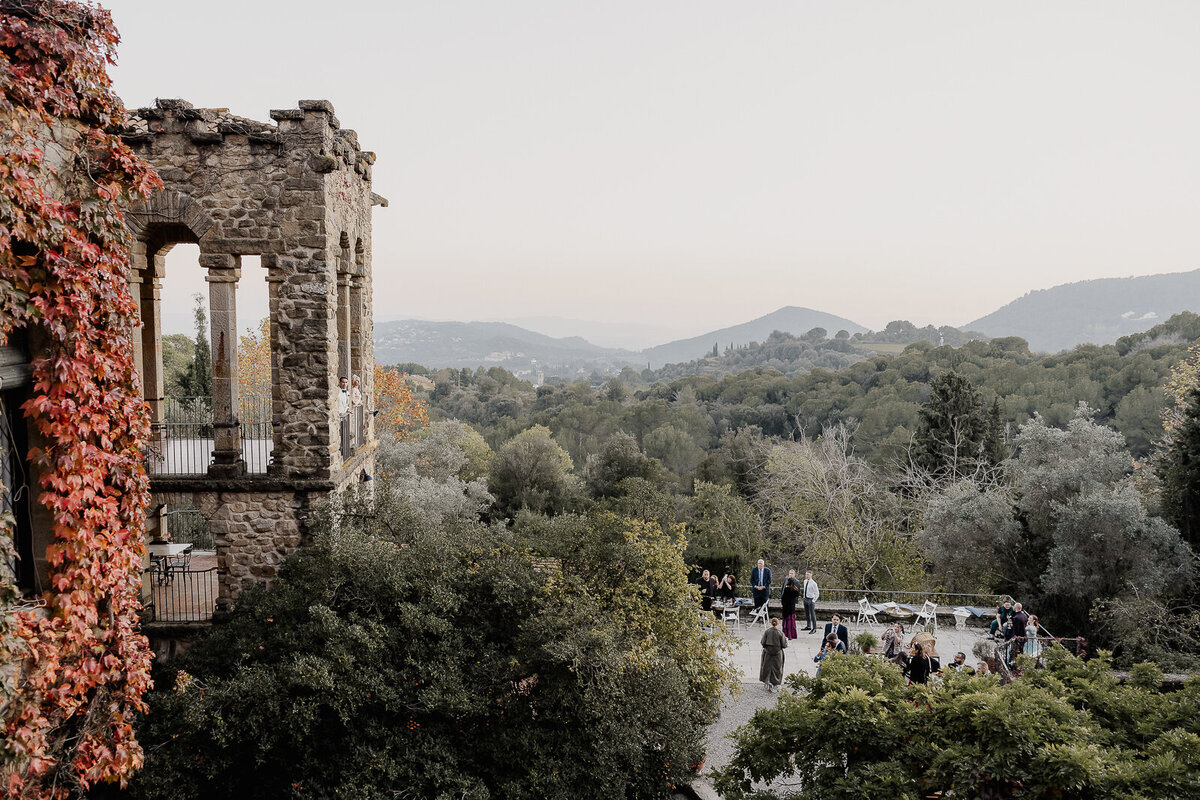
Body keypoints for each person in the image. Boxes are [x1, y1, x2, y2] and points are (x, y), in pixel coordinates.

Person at [760, 617, 787, 692]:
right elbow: (784, 644)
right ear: (777, 623)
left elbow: (762, 642)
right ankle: (776, 683)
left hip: (767, 653)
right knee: (777, 668)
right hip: (778, 653)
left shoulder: (767, 632)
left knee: (766, 667)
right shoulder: (780, 633)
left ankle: (767, 681)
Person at [780, 570, 800, 640]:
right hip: (791, 607)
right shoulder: (794, 590)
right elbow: (797, 593)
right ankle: (792, 634)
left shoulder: (789, 588)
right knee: (791, 621)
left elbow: (784, 598)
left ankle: (787, 633)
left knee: (786, 622)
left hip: (787, 607)